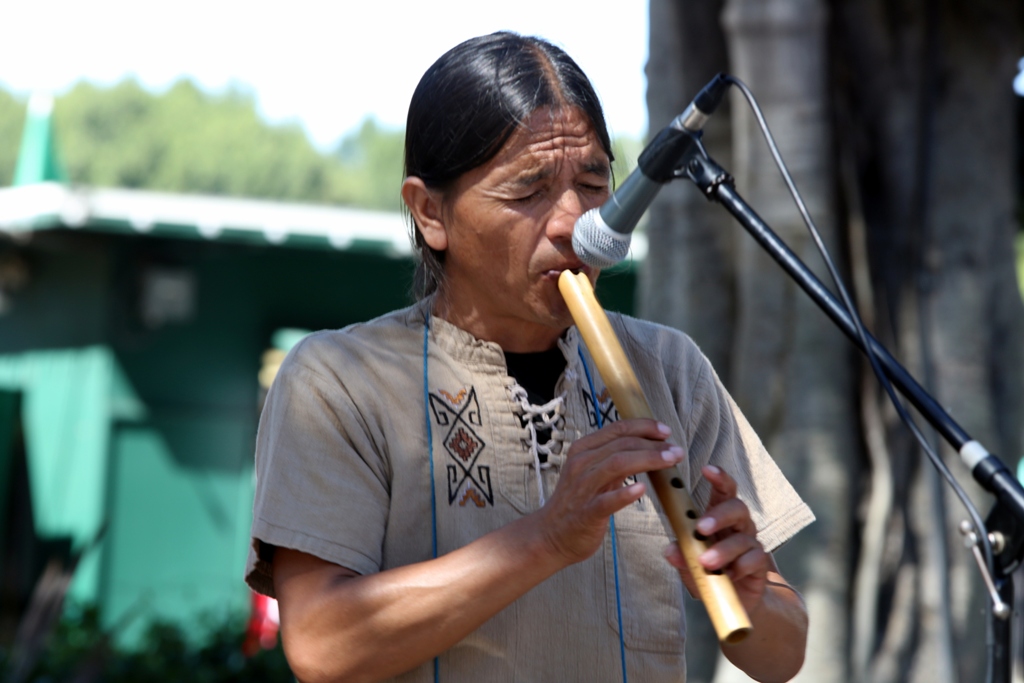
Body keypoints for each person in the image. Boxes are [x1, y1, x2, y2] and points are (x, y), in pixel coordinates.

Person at [245, 31, 814, 683]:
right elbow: (321, 643)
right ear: (430, 213)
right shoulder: (338, 381)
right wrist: (546, 538)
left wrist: (753, 599)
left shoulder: (670, 368)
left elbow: (783, 653)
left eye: (594, 184)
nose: (576, 222)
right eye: (528, 191)